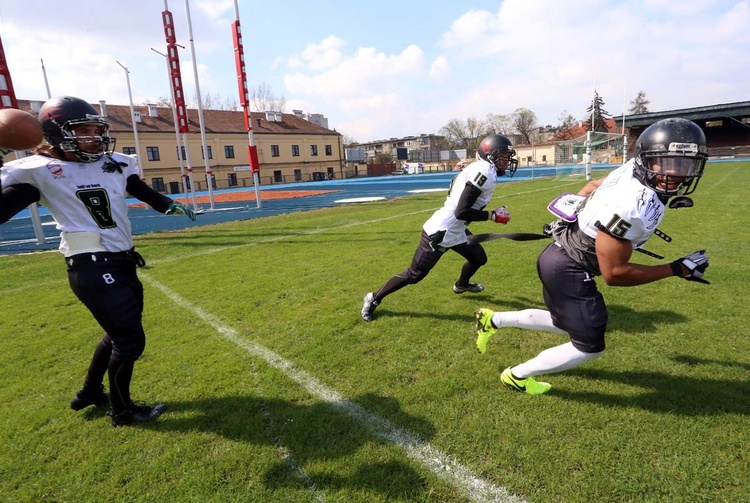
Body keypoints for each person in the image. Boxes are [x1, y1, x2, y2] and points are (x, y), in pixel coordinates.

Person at [474, 118, 710, 394]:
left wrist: (575, 222)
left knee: (563, 322)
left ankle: (493, 320)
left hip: (558, 256)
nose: (678, 173)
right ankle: (517, 375)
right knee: (590, 346)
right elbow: (614, 273)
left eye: (686, 164)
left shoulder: (633, 169)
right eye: (667, 162)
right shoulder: (631, 207)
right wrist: (675, 268)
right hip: (569, 268)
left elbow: (590, 187)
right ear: (649, 159)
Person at [0, 96, 196, 426]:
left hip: (121, 261)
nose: (94, 137)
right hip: (90, 265)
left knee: (117, 333)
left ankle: (90, 392)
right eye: (84, 130)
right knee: (130, 340)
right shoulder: (41, 171)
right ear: (58, 134)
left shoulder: (114, 163)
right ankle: (122, 410)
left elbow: (139, 187)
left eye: (96, 129)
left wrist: (166, 205)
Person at [361, 134, 518, 322]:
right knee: (414, 275)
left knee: (478, 258)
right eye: (503, 156)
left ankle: (461, 285)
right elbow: (462, 211)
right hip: (441, 232)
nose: (507, 161)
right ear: (488, 154)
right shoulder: (484, 171)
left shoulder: (482, 169)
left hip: (456, 229)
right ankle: (373, 298)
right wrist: (492, 215)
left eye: (508, 157)